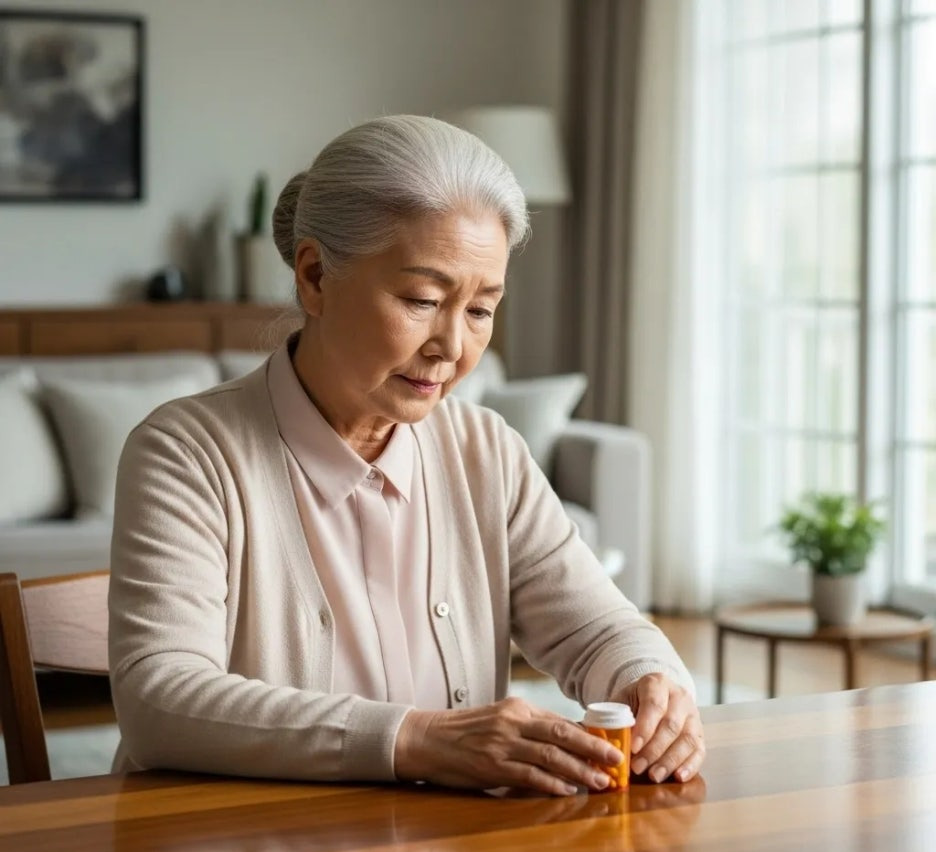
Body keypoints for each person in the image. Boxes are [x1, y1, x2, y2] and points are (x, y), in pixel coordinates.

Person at [109, 115, 705, 796]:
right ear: (314, 277)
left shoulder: (487, 453)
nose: (453, 347)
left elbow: (598, 629)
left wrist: (651, 680)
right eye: (422, 299)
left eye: (481, 310)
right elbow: (158, 699)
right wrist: (419, 740)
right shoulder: (186, 453)